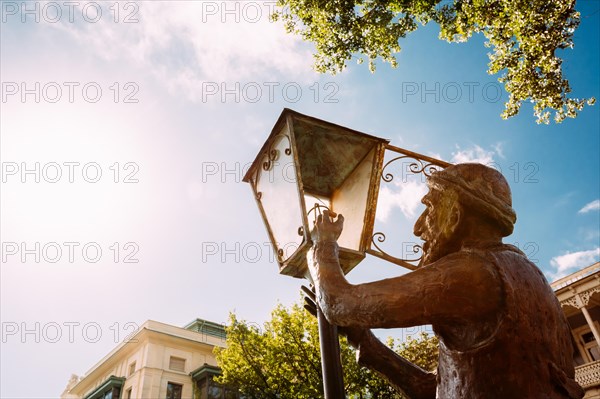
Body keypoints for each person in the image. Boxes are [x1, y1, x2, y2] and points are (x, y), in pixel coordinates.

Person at [307, 163, 584, 399]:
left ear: (454, 215)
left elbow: (337, 301)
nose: (418, 227)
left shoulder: (474, 274)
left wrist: (323, 245)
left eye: (428, 209)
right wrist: (363, 340)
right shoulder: (529, 278)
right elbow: (437, 390)